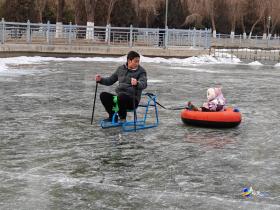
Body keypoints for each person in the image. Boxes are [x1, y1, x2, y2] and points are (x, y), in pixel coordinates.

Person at [95, 51, 147, 122]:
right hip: (119, 98)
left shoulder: (141, 71)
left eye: (138, 61)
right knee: (103, 95)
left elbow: (144, 84)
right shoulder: (120, 69)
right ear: (129, 60)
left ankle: (123, 118)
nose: (137, 63)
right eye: (135, 61)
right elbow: (110, 80)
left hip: (132, 101)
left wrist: (137, 83)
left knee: (122, 96)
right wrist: (100, 80)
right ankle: (112, 116)